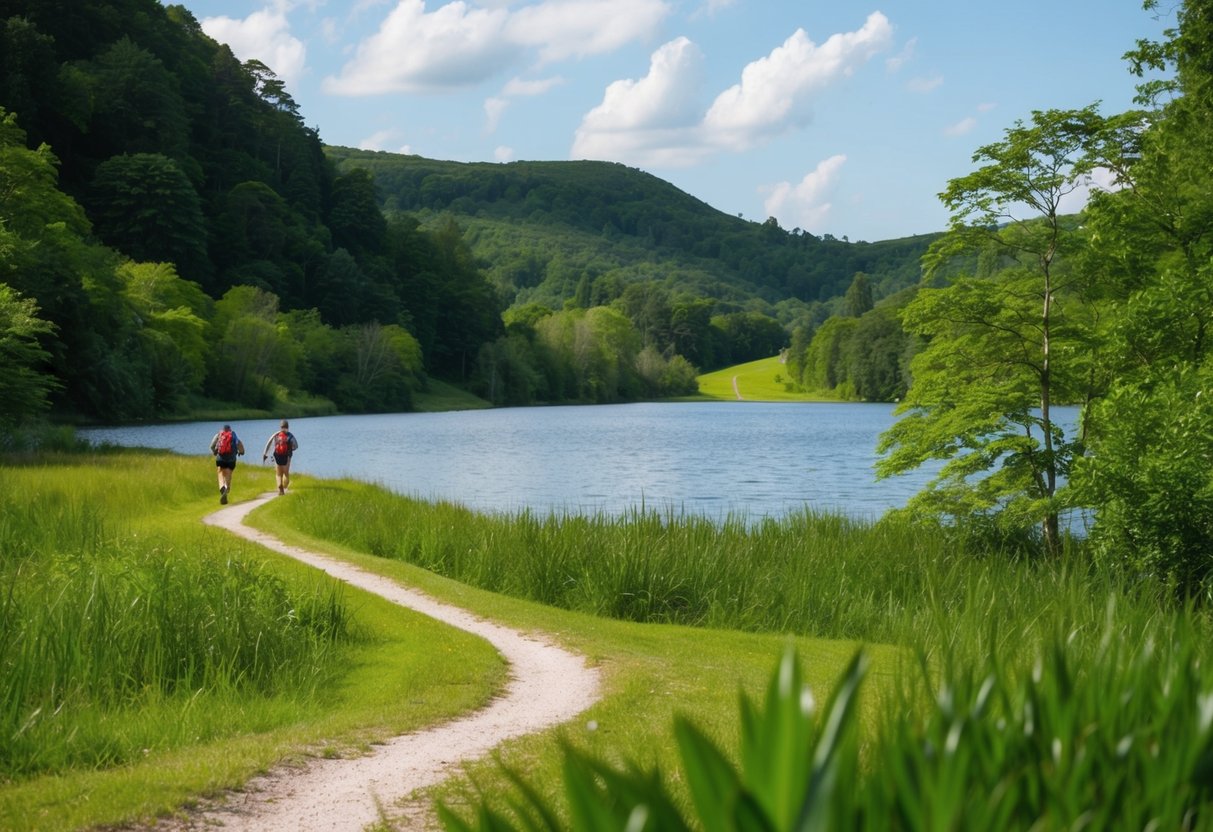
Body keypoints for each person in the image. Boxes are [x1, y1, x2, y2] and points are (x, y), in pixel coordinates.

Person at [209, 424, 245, 504]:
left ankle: (222, 487)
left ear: (223, 429)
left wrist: (215, 452)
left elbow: (212, 446)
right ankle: (226, 488)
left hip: (220, 458)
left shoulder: (219, 435)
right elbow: (239, 444)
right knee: (228, 473)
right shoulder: (233, 435)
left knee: (220, 472)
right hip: (231, 459)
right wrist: (241, 452)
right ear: (230, 429)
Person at [262, 419, 299, 495]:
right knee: (286, 474)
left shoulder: (276, 435)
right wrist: (290, 449)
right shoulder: (290, 436)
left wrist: (265, 454)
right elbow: (296, 446)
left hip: (277, 456)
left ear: (280, 427)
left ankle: (280, 487)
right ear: (288, 427)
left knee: (278, 474)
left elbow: (269, 444)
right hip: (287, 457)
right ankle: (285, 487)